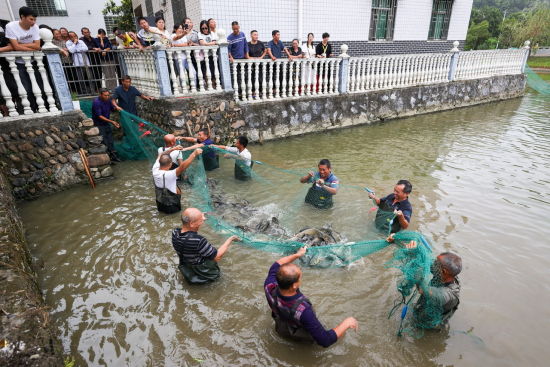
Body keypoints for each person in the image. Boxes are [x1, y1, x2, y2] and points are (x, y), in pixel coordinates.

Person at [264, 246, 358, 347]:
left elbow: (278, 263)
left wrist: (297, 255)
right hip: (300, 337)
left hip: (281, 329)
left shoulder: (269, 285)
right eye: (300, 277)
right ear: (294, 285)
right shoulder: (304, 310)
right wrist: (346, 323)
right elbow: (325, 341)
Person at [393, 239, 461, 329]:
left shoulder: (450, 295)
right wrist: (397, 241)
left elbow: (424, 290)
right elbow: (424, 260)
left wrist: (418, 273)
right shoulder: (442, 273)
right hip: (421, 309)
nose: (432, 263)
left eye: (436, 263)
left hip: (430, 325)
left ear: (444, 271)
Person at [172, 207, 239, 284]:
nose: (203, 221)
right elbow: (217, 257)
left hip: (186, 264)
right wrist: (230, 239)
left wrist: (199, 216)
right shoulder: (198, 241)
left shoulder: (175, 233)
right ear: (192, 223)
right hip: (200, 269)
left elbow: (188, 225)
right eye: (201, 220)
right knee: (218, 280)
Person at [4, 6, 42, 112]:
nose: (33, 22)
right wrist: (29, 46)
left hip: (34, 61)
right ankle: (31, 109)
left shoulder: (35, 27)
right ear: (22, 17)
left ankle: (40, 108)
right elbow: (15, 47)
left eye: (35, 19)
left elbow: (38, 46)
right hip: (18, 63)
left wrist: (20, 44)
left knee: (40, 87)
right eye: (31, 19)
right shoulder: (11, 26)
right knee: (26, 88)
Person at [152, 147, 202, 214]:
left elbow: (160, 155)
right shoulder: (170, 174)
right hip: (172, 205)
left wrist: (173, 149)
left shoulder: (154, 169)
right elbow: (183, 167)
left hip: (160, 203)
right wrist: (194, 154)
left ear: (159, 162)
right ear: (170, 164)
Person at [92, 88, 120, 161]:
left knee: (110, 139)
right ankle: (108, 158)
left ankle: (114, 156)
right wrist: (112, 122)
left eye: (108, 95)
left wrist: (117, 107)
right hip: (99, 124)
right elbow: (99, 116)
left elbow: (112, 109)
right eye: (105, 95)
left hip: (106, 123)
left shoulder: (108, 100)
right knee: (104, 141)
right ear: (100, 95)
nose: (107, 97)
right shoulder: (96, 102)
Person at [66, 31, 91, 95]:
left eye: (74, 36)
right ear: (69, 37)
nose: (74, 37)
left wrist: (76, 49)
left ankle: (91, 91)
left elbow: (86, 48)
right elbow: (71, 51)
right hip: (77, 64)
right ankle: (83, 92)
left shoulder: (81, 41)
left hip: (85, 62)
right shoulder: (68, 43)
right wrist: (74, 43)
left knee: (89, 77)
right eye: (71, 37)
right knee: (80, 79)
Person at [80, 27, 102, 91]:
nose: (87, 33)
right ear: (82, 33)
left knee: (98, 73)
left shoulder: (93, 39)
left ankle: (99, 87)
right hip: (87, 59)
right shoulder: (81, 39)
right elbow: (85, 47)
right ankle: (92, 89)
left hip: (96, 58)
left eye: (88, 32)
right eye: (85, 32)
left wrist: (98, 48)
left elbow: (98, 45)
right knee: (90, 75)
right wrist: (93, 48)